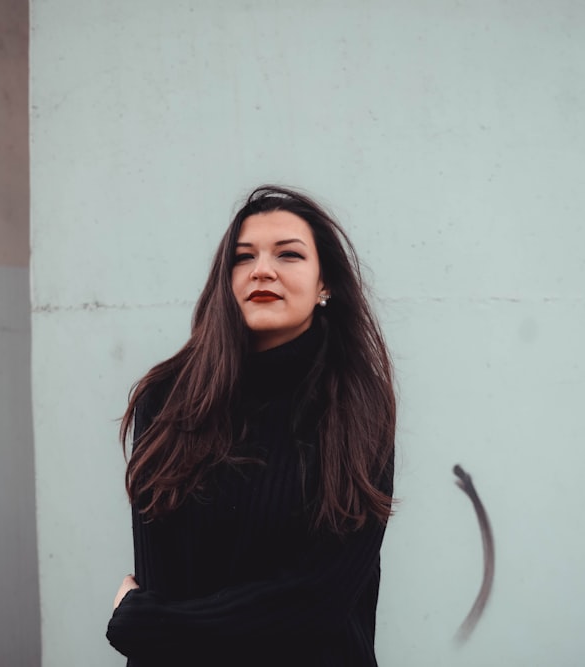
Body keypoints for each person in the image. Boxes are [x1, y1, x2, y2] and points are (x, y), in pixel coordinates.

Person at [106, 185, 396, 666]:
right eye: (244, 257)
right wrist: (158, 626)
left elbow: (317, 602)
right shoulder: (168, 399)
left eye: (289, 254)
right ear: (227, 280)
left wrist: (150, 624)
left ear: (326, 284)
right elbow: (161, 578)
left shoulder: (356, 409)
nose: (263, 269)